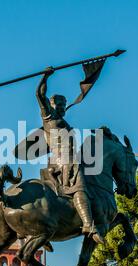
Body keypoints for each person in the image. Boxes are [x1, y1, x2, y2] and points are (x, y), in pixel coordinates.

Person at [35, 66, 104, 244]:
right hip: (62, 161)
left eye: (63, 105)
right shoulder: (48, 117)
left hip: (70, 158)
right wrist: (45, 77)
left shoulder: (62, 121)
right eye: (58, 105)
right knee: (80, 186)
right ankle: (88, 224)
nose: (62, 108)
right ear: (51, 106)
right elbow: (39, 95)